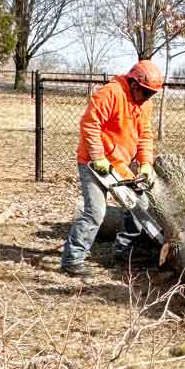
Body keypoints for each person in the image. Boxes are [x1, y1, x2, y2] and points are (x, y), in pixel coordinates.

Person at [61, 59, 164, 278]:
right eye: (146, 92)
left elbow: (144, 135)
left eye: (151, 94)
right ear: (134, 83)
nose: (148, 97)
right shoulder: (111, 93)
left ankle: (124, 250)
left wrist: (145, 163)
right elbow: (89, 124)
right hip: (93, 163)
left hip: (118, 165)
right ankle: (73, 259)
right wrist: (98, 156)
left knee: (140, 205)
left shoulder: (144, 104)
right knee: (95, 212)